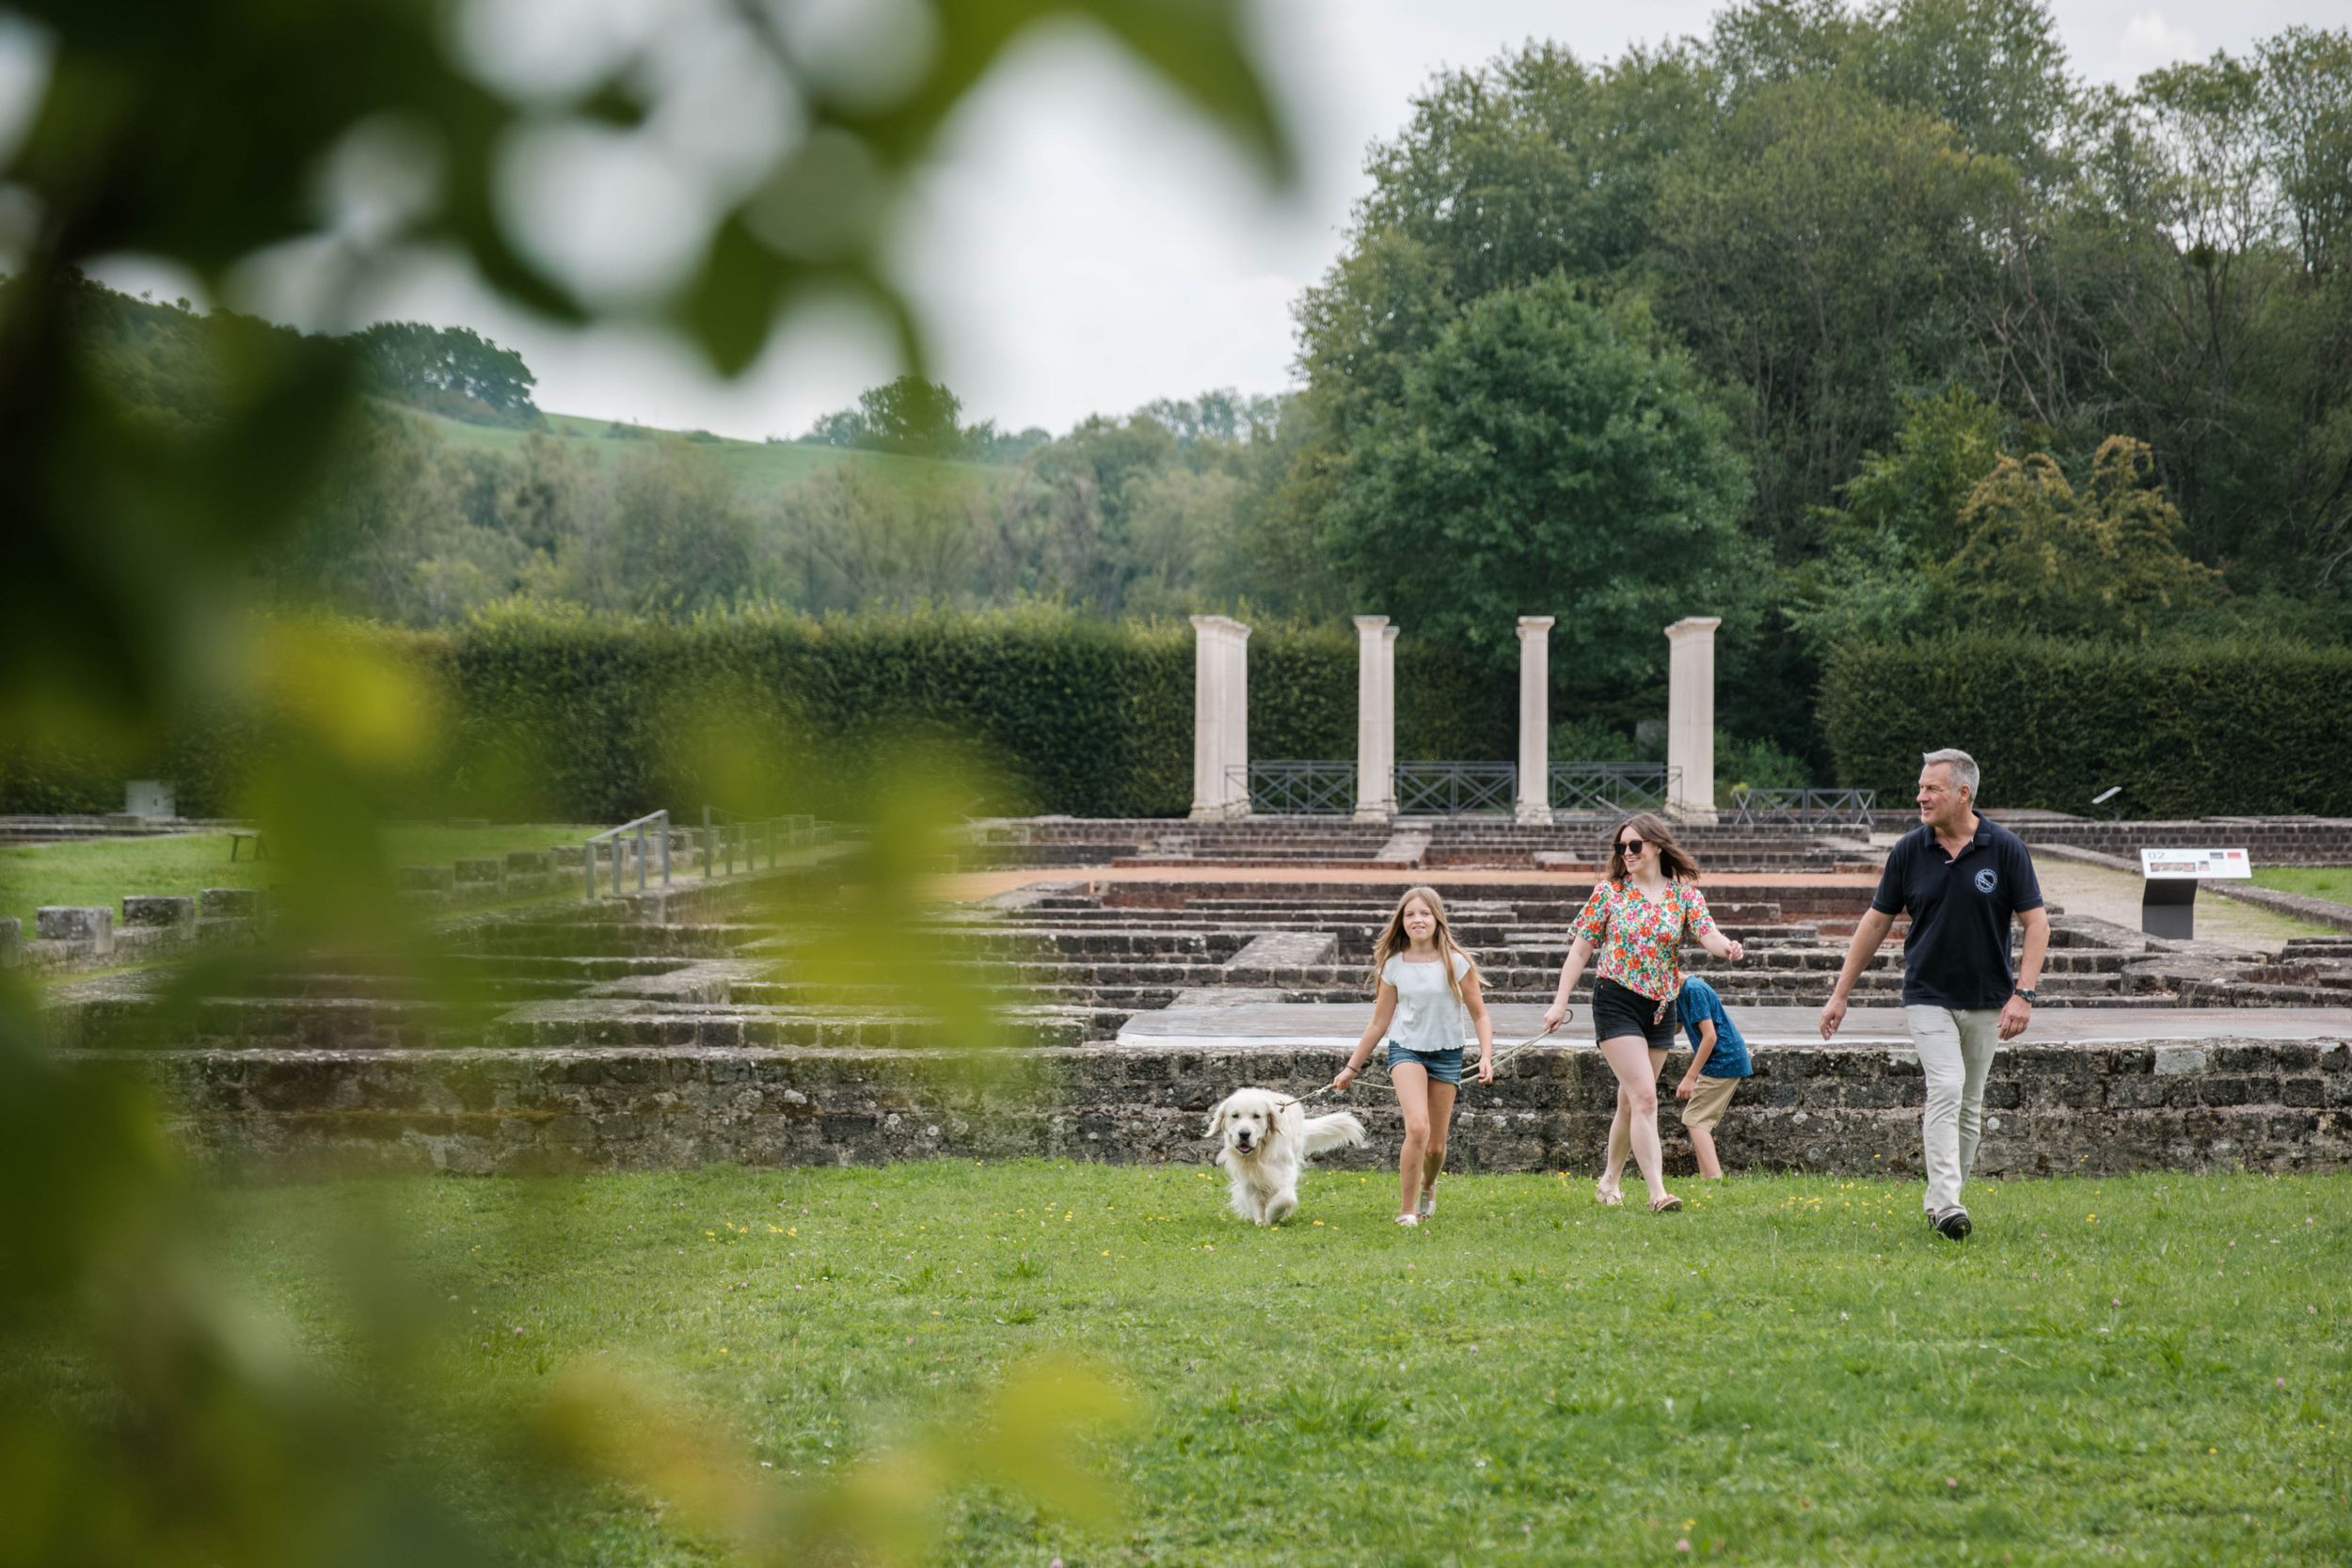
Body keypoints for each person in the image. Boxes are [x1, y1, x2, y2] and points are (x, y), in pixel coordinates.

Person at [1819, 748, 2049, 1241]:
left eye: (1931, 789)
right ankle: (1947, 1205)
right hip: (1927, 995)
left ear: (1963, 794)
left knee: (1970, 1104)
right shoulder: (1908, 850)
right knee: (1945, 1087)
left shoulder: (2005, 848)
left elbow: (2036, 923)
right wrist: (1841, 994)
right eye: (1921, 787)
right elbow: (1875, 922)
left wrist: (2023, 994)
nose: (1919, 796)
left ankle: (1944, 1200)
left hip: (1988, 998)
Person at [1542, 813, 1745, 1213]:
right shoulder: (1609, 893)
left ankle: (1609, 1181)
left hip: (1660, 1006)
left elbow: (1709, 935)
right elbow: (1580, 950)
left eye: (1635, 845)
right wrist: (1560, 1000)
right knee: (1645, 1098)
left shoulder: (1685, 896)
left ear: (1655, 846)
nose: (1627, 853)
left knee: (1630, 1102)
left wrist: (1729, 948)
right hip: (1615, 999)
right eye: (1622, 847)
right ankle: (1658, 1193)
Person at [1331, 885, 1494, 1227]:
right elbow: (1379, 1023)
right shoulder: (1392, 966)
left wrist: (1486, 1056)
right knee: (1417, 1128)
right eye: (1410, 914)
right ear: (1401, 922)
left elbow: (1480, 1014)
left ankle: (1428, 1184)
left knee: (1435, 1147)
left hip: (1447, 1054)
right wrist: (1351, 1068)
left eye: (1424, 913)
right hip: (1406, 1050)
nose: (1417, 920)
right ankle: (1407, 1211)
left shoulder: (1457, 962)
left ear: (1437, 919)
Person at [1672, 974, 1750, 1180]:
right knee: (1697, 1119)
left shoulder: (1693, 990)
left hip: (1723, 1059)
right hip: (1721, 1059)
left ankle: (1714, 1178)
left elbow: (1710, 1036)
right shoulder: (1678, 992)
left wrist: (1690, 1077)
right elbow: (1676, 1028)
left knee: (1695, 1119)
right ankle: (1707, 1178)